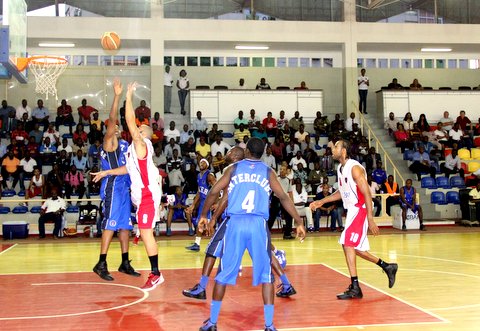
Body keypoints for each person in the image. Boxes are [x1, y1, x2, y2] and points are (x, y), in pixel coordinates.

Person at [198, 137, 306, 331]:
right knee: (266, 277)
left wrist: (205, 215)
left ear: (246, 150)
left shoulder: (233, 169)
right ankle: (269, 325)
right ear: (263, 153)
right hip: (258, 224)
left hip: (236, 224)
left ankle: (213, 322)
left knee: (223, 275)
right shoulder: (268, 172)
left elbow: (214, 191)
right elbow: (283, 198)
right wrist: (298, 222)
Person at [184, 147, 298, 301]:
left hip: (235, 220)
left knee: (212, 249)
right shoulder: (254, 170)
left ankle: (202, 287)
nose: (227, 152)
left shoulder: (234, 170)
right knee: (265, 254)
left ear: (235, 155)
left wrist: (213, 218)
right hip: (256, 220)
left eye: (230, 151)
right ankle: (286, 284)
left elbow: (225, 197)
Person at [309, 139, 398, 299]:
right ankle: (387, 266)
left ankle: (355, 286)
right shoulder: (340, 169)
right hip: (352, 211)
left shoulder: (355, 168)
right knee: (353, 248)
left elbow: (367, 194)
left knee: (348, 243)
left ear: (343, 151)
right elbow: (341, 193)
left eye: (336, 146)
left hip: (360, 209)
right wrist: (321, 201)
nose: (333, 149)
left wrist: (371, 218)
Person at [90, 79, 140, 282]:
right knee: (110, 224)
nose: (117, 127)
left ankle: (125, 262)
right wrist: (118, 95)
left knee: (125, 226)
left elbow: (131, 168)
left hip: (125, 189)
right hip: (112, 187)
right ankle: (101, 262)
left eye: (119, 126)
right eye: (114, 126)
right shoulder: (108, 143)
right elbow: (112, 119)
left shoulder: (126, 144)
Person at [185, 158, 217, 251]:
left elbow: (217, 189)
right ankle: (197, 244)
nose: (201, 163)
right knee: (201, 223)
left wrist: (216, 202)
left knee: (208, 224)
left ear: (207, 165)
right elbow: (199, 192)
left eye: (203, 162)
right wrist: (193, 205)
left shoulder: (210, 175)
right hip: (203, 202)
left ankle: (215, 244)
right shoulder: (199, 175)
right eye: (200, 162)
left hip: (209, 202)